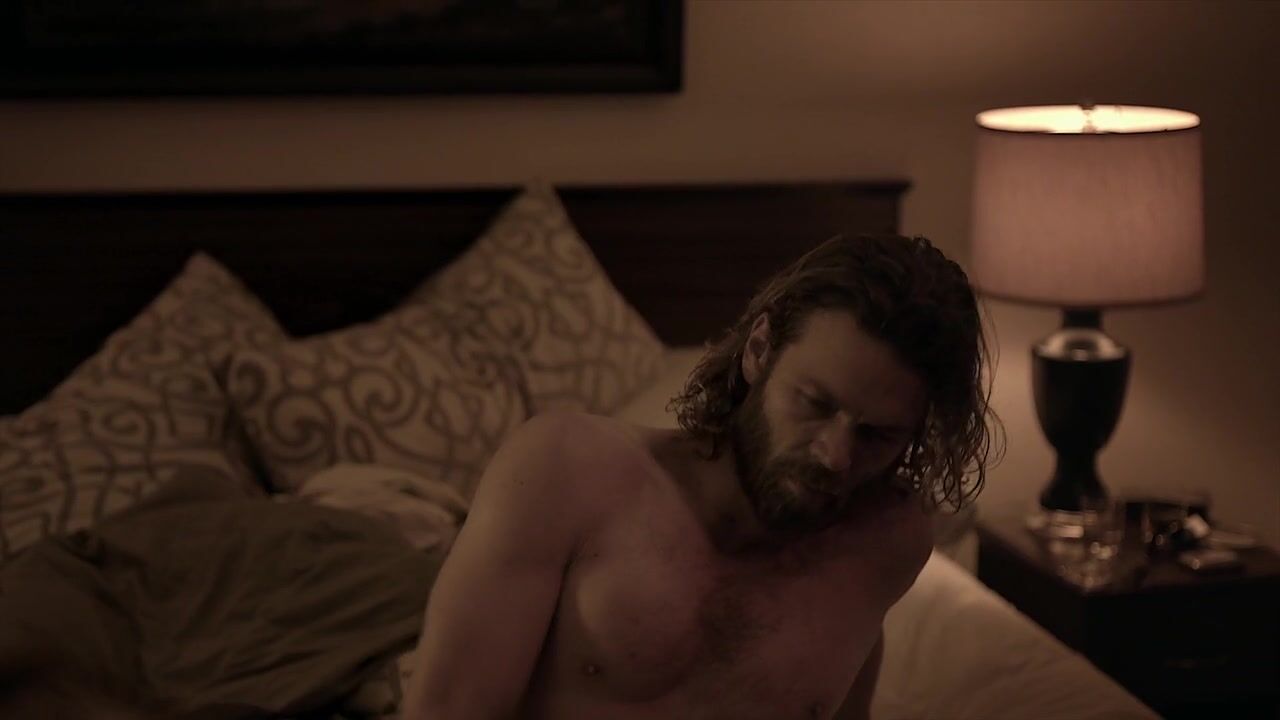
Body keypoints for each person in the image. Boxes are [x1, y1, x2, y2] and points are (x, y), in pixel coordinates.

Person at [402, 233, 1003, 720]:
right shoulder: (566, 468)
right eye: (815, 404)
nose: (835, 457)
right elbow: (446, 710)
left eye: (877, 435)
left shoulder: (887, 544)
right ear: (760, 351)